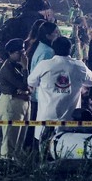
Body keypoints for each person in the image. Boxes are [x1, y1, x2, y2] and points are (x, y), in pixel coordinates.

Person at [27, 36, 92, 145]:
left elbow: (31, 81)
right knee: (64, 152)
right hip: (69, 121)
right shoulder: (78, 66)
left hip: (46, 119)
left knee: (42, 153)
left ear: (53, 49)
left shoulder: (45, 65)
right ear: (70, 48)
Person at [24, 20, 60, 148]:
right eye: (56, 32)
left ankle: (27, 151)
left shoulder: (38, 46)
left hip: (35, 93)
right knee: (37, 128)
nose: (58, 35)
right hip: (41, 95)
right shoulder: (48, 52)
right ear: (48, 35)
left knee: (32, 126)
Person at [0, 38, 31, 158]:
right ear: (10, 53)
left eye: (23, 52)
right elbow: (25, 85)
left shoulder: (17, 65)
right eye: (19, 53)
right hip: (11, 103)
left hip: (22, 102)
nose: (23, 56)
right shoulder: (7, 68)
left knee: (19, 140)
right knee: (10, 140)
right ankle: (5, 165)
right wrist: (25, 68)